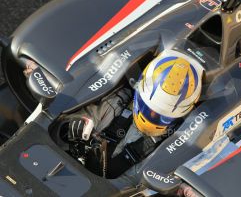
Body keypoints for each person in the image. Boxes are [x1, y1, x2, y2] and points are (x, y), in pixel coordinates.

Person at [67, 50, 204, 178]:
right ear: (139, 92)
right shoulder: (117, 102)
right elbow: (82, 117)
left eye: (162, 115)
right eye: (148, 108)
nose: (152, 115)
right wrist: (78, 122)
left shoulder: (179, 140)